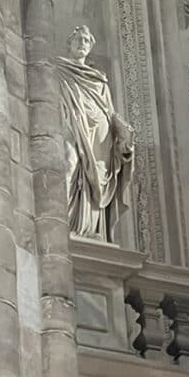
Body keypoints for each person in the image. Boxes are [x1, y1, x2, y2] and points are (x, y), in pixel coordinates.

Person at [57, 24, 134, 242]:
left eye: (86, 41)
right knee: (70, 163)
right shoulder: (60, 70)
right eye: (78, 40)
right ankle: (64, 220)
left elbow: (109, 111)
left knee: (96, 179)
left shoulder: (99, 79)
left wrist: (124, 135)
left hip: (100, 131)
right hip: (73, 122)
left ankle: (88, 228)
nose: (82, 44)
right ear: (69, 44)